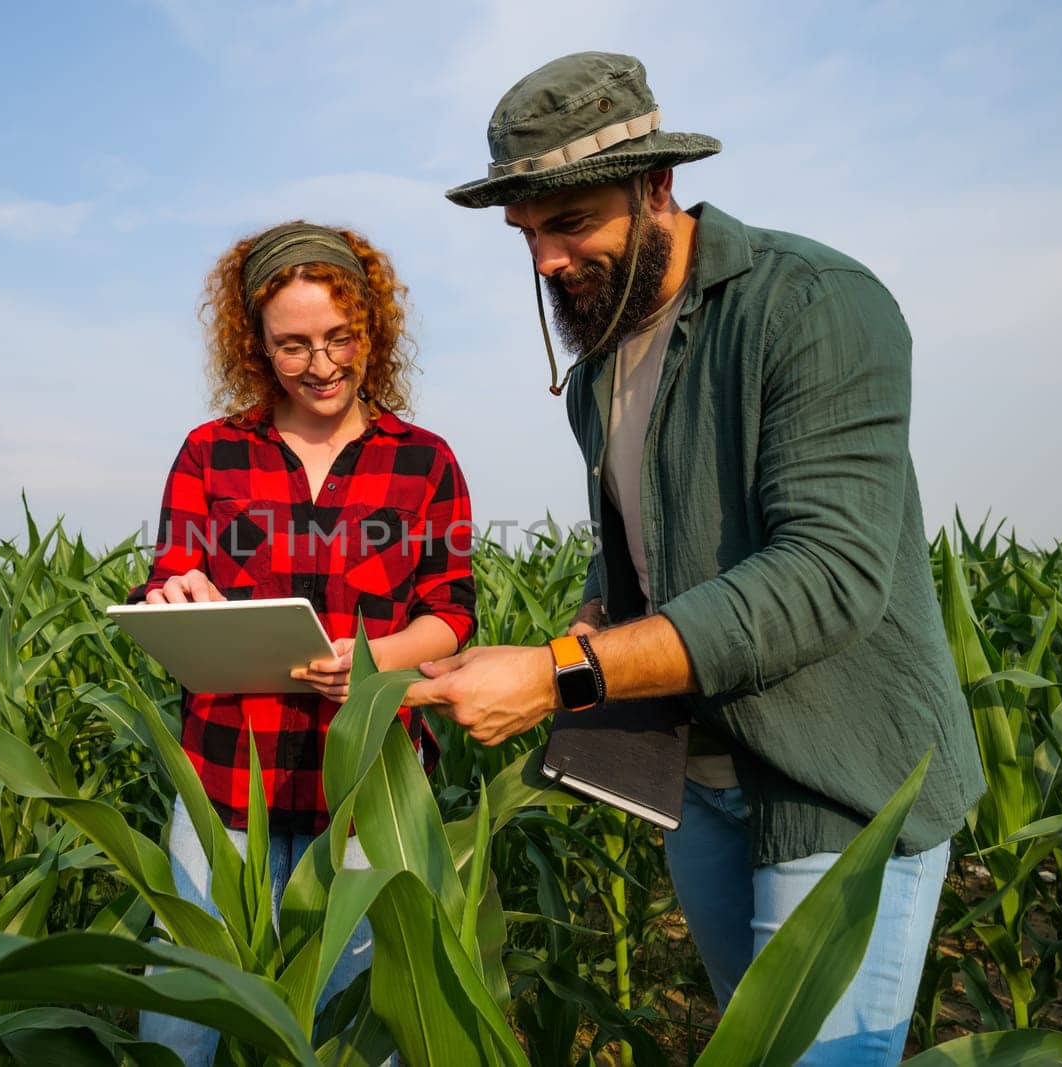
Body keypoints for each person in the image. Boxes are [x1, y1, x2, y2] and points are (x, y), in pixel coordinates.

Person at [406, 51, 985, 1066]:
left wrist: (555, 675)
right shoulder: (599, 369)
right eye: (527, 233)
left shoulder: (812, 304)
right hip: (703, 788)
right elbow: (638, 558)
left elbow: (826, 574)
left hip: (835, 779)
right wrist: (574, 628)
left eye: (570, 221)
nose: (544, 260)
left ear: (657, 186)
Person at [133, 220, 475, 1063]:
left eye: (340, 338)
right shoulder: (212, 454)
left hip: (366, 797)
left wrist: (371, 663)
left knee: (353, 1029)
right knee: (182, 1028)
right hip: (224, 788)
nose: (321, 365)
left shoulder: (424, 462)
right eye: (293, 346)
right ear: (256, 346)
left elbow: (452, 613)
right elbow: (168, 574)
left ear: (372, 332)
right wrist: (175, 593)